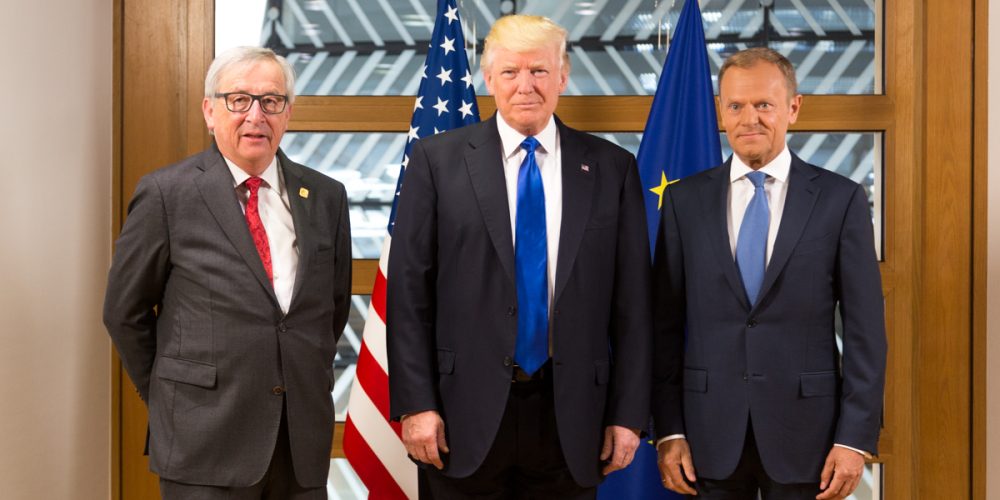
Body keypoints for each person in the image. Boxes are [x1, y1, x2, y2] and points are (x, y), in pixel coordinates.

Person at [386, 14, 652, 499]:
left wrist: (629, 414)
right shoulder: (436, 162)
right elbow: (408, 295)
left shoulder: (612, 168)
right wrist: (416, 404)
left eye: (539, 71)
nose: (525, 85)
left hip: (574, 417)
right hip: (460, 414)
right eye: (510, 72)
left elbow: (633, 305)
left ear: (562, 77)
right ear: (489, 79)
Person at [103, 46, 351, 499]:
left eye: (271, 101)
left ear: (288, 113)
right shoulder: (167, 194)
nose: (256, 115)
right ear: (209, 111)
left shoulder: (326, 196)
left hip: (299, 444)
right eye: (239, 100)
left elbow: (331, 310)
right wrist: (169, 392)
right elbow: (124, 312)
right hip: (203, 438)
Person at [652, 47, 887, 500]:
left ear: (793, 108)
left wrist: (853, 438)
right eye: (736, 106)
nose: (750, 119)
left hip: (809, 438)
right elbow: (663, 329)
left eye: (764, 104)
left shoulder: (840, 200)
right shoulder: (684, 202)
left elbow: (865, 334)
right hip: (706, 435)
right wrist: (669, 430)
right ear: (721, 112)